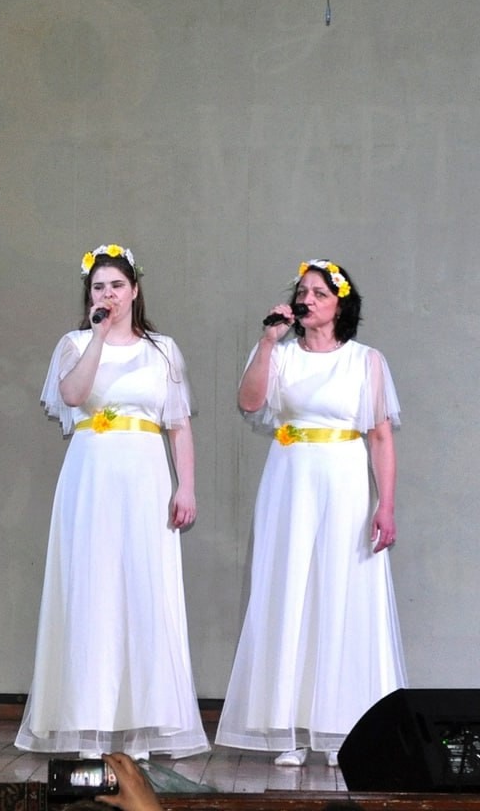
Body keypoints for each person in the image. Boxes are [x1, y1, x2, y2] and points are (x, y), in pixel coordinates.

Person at [15, 244, 207, 760]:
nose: (108, 294)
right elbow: (73, 396)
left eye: (117, 286)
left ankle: (142, 727)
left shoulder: (163, 349)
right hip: (92, 476)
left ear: (135, 290)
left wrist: (185, 486)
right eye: (99, 287)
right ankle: (89, 724)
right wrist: (98, 336)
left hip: (145, 477)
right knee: (92, 590)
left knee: (144, 591)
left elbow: (178, 425)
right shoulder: (75, 343)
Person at [216, 258, 405, 767]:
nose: (308, 300)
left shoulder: (366, 361)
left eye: (319, 293)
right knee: (289, 590)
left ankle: (343, 726)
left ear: (340, 304)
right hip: (290, 480)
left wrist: (386, 505)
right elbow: (249, 402)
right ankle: (288, 728)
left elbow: (380, 438)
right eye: (302, 292)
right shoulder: (280, 354)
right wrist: (267, 342)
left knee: (341, 591)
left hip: (345, 482)